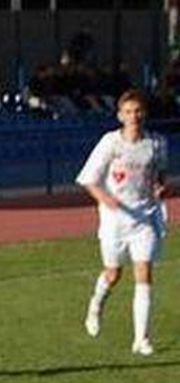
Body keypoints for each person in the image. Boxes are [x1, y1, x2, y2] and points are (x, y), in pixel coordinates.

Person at [78, 88, 169, 356]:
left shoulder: (156, 143)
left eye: (138, 111)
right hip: (115, 221)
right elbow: (88, 179)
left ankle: (141, 338)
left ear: (145, 113)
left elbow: (159, 175)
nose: (134, 116)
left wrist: (160, 188)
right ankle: (96, 305)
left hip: (144, 218)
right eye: (128, 111)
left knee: (144, 273)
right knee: (113, 273)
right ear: (120, 115)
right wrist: (105, 199)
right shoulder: (110, 143)